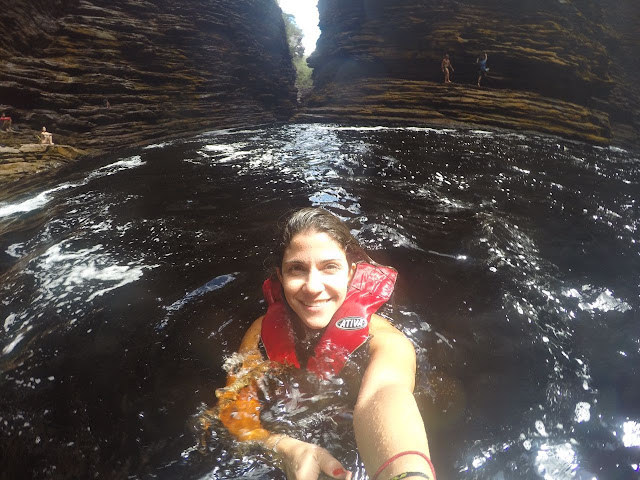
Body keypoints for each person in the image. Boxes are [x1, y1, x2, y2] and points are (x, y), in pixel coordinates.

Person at [210, 208, 435, 480]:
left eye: (330, 267)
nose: (313, 286)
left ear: (350, 274)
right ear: (280, 277)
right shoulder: (259, 334)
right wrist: (284, 447)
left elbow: (385, 393)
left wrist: (407, 475)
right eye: (297, 269)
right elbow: (235, 413)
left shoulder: (385, 341)